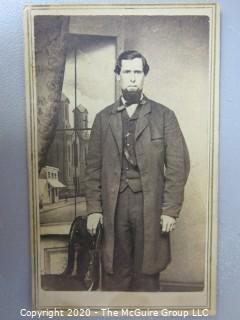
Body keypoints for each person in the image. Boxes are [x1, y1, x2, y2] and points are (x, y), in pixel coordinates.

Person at [85, 50, 190, 291]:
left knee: (147, 274)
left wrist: (170, 210)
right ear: (117, 76)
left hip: (150, 206)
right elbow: (92, 169)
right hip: (114, 206)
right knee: (115, 273)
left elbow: (178, 165)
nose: (132, 78)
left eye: (137, 72)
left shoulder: (165, 116)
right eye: (127, 72)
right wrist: (93, 209)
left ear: (144, 76)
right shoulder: (102, 119)